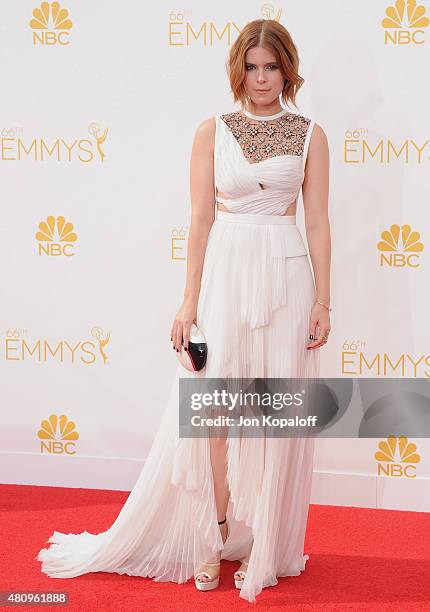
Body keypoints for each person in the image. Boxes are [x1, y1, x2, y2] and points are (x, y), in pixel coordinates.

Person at [36, 18, 331, 603]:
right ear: (237, 70)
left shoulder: (310, 135)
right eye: (252, 67)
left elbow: (318, 221)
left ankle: (266, 545)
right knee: (212, 418)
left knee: (274, 420)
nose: (262, 78)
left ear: (288, 70)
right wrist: (188, 301)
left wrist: (324, 298)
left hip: (287, 276)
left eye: (272, 67)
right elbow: (200, 222)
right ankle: (211, 534)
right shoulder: (211, 131)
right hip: (226, 276)